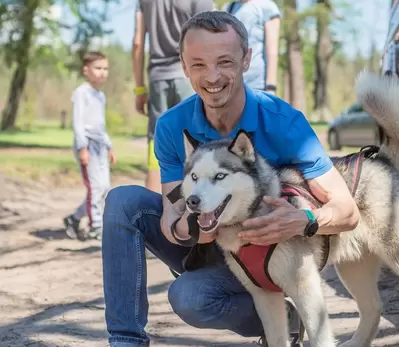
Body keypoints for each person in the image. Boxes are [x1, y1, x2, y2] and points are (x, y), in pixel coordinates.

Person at [102, 11, 359, 347]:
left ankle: (286, 318)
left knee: (189, 297)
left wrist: (304, 220)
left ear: (246, 59)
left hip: (269, 254)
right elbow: (173, 211)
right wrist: (189, 228)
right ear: (183, 65)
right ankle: (125, 341)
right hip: (209, 244)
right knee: (123, 201)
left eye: (224, 61)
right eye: (198, 64)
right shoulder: (171, 126)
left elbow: (347, 211)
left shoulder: (284, 123)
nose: (212, 77)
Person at [132, 0, 214, 193]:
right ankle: (196, 210)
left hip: (157, 79)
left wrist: (139, 88)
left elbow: (137, 43)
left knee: (156, 142)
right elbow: (207, 37)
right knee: (197, 142)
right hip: (190, 75)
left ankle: (155, 209)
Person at [63, 51, 116, 241]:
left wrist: (109, 146)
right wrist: (82, 147)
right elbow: (78, 122)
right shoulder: (81, 92)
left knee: (104, 187)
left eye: (105, 69)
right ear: (86, 70)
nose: (102, 73)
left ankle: (74, 218)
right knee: (95, 187)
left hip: (100, 145)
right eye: (98, 68)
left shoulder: (100, 95)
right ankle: (96, 227)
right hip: (87, 144)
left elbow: (100, 124)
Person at [223, 0, 281, 93]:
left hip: (257, 86)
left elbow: (272, 51)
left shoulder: (268, 7)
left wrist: (271, 87)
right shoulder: (229, 8)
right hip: (231, 85)